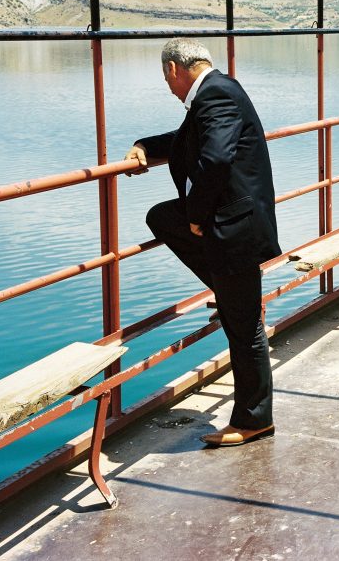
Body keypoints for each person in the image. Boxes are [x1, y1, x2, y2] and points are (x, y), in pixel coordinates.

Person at [125, 38, 281, 447]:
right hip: (231, 226)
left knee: (244, 327)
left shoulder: (215, 94)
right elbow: (186, 139)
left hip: (234, 229)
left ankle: (253, 420)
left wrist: (196, 218)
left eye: (166, 78)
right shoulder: (217, 92)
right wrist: (145, 145)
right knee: (161, 216)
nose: (168, 87)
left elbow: (215, 159)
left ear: (175, 69)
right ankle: (227, 289)